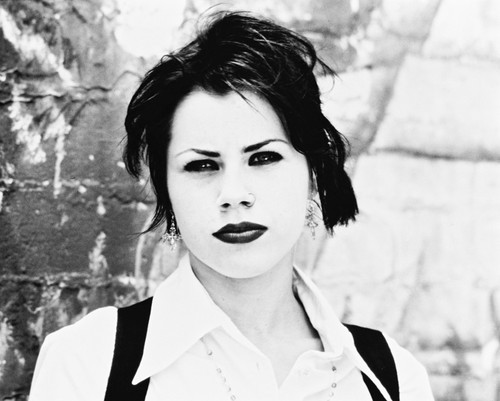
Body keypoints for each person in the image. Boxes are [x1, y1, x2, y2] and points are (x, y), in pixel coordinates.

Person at [29, 11, 434, 401]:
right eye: (202, 165)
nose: (234, 193)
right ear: (165, 189)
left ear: (312, 173)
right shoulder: (90, 363)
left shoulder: (392, 378)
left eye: (263, 158)